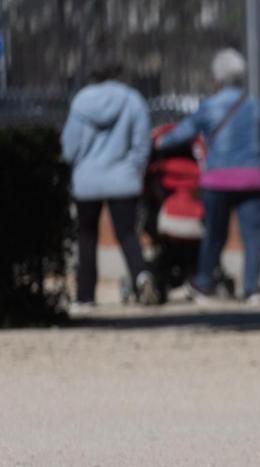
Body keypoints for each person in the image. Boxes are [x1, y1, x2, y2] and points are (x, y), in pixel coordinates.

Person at [157, 48, 260, 305]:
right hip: (252, 177)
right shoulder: (254, 105)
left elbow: (183, 133)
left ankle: (204, 284)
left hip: (218, 179)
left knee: (214, 235)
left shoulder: (209, 106)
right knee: (252, 237)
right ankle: (252, 289)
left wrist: (161, 141)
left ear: (216, 78)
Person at [62, 60, 157, 309]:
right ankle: (141, 275)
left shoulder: (81, 101)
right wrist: (135, 169)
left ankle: (85, 296)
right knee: (127, 234)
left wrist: (74, 166)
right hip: (123, 178)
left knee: (86, 237)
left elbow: (69, 145)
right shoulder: (133, 100)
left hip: (86, 179)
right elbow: (141, 143)